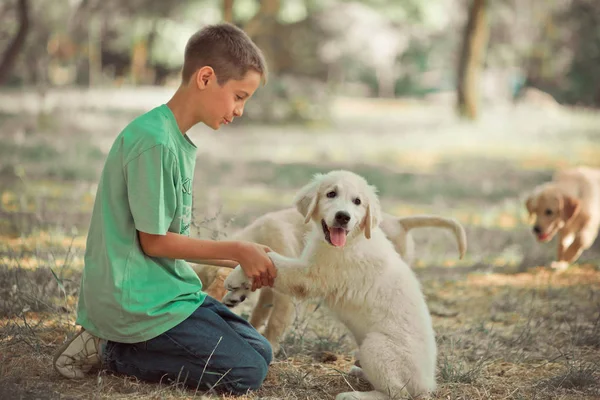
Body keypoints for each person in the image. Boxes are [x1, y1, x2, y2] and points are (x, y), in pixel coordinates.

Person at [52, 22, 277, 395]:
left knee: (261, 351)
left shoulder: (175, 140)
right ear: (206, 77)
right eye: (239, 96)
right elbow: (155, 242)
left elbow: (169, 238)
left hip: (165, 293)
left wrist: (239, 261)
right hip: (136, 303)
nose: (239, 110)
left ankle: (131, 342)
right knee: (246, 372)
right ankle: (112, 349)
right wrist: (236, 249)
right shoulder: (154, 142)